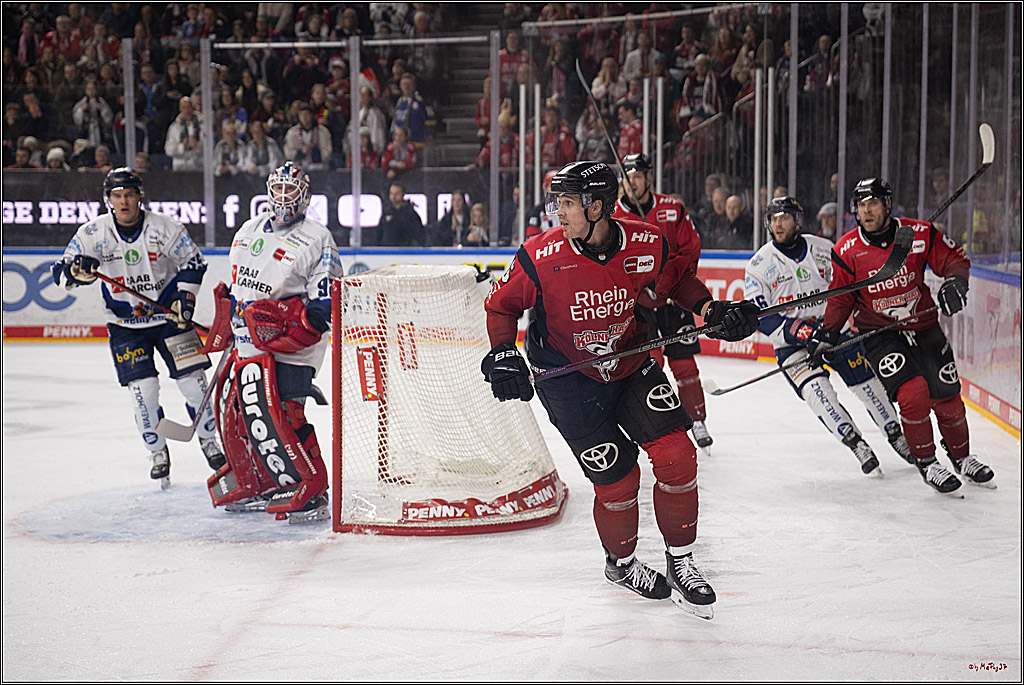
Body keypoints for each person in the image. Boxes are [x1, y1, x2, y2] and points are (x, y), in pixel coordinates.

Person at [481, 161, 760, 618]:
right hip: (568, 381)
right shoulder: (540, 255)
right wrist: (503, 353)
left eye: (568, 203)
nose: (559, 213)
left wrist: (711, 308)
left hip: (631, 364)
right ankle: (622, 563)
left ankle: (681, 560)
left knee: (677, 456)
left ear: (597, 206)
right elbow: (500, 307)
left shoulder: (646, 242)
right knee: (619, 481)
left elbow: (677, 281)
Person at [808, 178, 996, 495]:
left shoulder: (919, 234)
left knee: (948, 398)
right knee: (913, 394)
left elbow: (954, 259)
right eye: (861, 205)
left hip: (923, 325)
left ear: (888, 206)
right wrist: (828, 334)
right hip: (879, 334)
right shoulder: (847, 250)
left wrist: (955, 282)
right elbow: (841, 298)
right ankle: (927, 462)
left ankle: (962, 458)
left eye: (873, 204)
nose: (866, 211)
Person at [50, 168, 226, 486]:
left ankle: (209, 439)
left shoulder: (165, 228)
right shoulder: (93, 233)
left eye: (129, 194)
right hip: (125, 326)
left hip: (170, 319)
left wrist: (184, 302)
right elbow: (61, 275)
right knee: (143, 394)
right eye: (117, 196)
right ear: (109, 200)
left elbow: (194, 263)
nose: (124, 202)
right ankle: (157, 450)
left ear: (139, 197)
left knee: (194, 384)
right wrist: (78, 272)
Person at [203, 162, 342, 523]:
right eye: (278, 189)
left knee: (288, 413)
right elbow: (239, 286)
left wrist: (299, 322)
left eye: (290, 190)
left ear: (304, 195)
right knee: (244, 414)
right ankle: (260, 480)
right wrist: (231, 316)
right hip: (248, 341)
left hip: (292, 344)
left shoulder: (317, 237)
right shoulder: (248, 229)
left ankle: (314, 487)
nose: (283, 197)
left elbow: (325, 301)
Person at [745, 197, 912, 475]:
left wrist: (836, 325)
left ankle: (896, 434)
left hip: (834, 330)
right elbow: (761, 316)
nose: (778, 223)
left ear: (797, 221)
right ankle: (857, 444)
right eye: (773, 218)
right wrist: (804, 333)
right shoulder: (759, 264)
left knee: (867, 385)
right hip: (792, 346)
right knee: (818, 394)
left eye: (784, 217)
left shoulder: (824, 249)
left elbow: (849, 288)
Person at [613, 153, 714, 450]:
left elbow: (690, 250)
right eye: (628, 178)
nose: (633, 182)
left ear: (648, 179)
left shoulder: (672, 208)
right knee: (649, 365)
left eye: (638, 177)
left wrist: (672, 284)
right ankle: (659, 423)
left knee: (683, 364)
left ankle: (697, 419)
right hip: (638, 305)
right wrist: (640, 289)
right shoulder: (615, 215)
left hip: (672, 302)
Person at [380, 181, 425, 246]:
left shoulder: (411, 214)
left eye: (397, 193)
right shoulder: (386, 212)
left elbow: (419, 236)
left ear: (403, 194)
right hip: (387, 252)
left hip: (405, 252)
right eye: (391, 193)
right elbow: (379, 234)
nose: (393, 196)